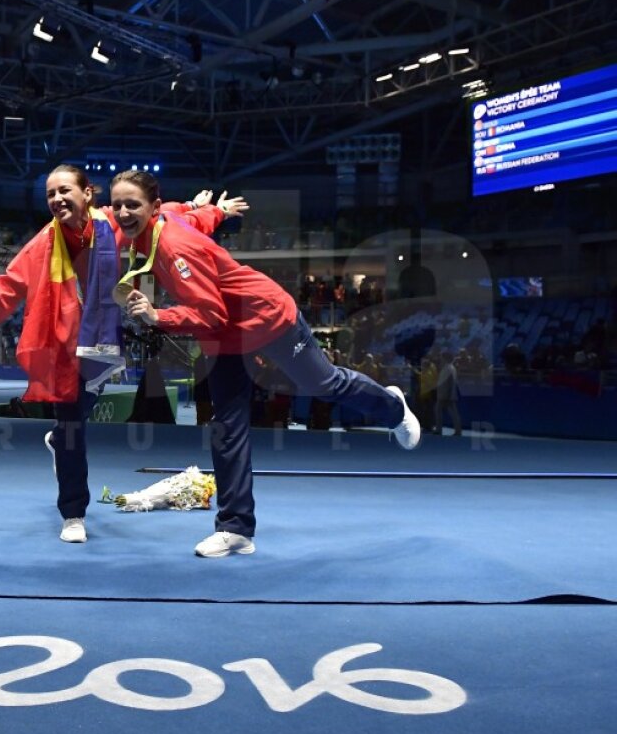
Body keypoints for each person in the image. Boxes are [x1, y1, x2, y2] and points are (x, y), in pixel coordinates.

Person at [0, 164, 245, 543]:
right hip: (62, 348)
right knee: (73, 424)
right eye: (50, 194)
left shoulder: (114, 224)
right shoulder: (42, 245)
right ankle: (73, 512)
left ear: (88, 194)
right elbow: (4, 292)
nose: (57, 199)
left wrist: (215, 211)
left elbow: (173, 219)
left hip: (103, 342)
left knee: (79, 413)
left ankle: (59, 442)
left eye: (65, 191)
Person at [109, 169, 420, 558]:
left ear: (152, 208)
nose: (122, 212)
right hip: (225, 339)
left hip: (266, 318)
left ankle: (392, 407)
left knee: (325, 385)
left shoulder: (174, 248)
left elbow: (212, 313)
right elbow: (193, 215)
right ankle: (236, 528)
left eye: (131, 205)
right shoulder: (165, 218)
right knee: (227, 426)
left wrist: (160, 317)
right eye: (117, 204)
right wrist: (216, 210)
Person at [434, 349, 462, 436]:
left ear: (445, 358)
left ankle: (440, 429)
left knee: (442, 411)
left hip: (445, 394)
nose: (440, 359)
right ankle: (457, 430)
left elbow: (451, 382)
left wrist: (450, 394)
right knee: (452, 412)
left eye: (442, 357)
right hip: (445, 394)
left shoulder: (449, 368)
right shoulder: (448, 367)